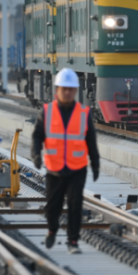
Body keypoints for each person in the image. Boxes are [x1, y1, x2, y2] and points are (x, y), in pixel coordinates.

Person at [31, 68, 99, 254]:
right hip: (54, 168)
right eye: (64, 89)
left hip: (77, 168)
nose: (67, 92)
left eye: (70, 89)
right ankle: (52, 230)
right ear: (57, 90)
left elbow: (91, 140)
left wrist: (95, 163)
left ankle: (73, 241)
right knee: (53, 207)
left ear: (76, 91)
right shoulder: (47, 111)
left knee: (75, 206)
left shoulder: (84, 113)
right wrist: (36, 155)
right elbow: (37, 136)